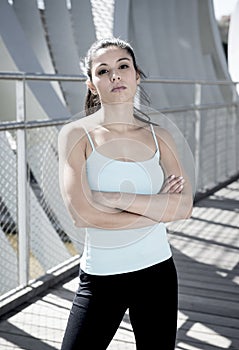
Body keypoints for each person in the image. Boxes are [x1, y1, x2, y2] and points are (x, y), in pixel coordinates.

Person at [58, 37, 193, 350]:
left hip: (158, 273)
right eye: (103, 71)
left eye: (123, 66)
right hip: (101, 278)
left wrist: (115, 199)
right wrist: (157, 208)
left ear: (137, 76)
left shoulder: (161, 136)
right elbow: (82, 215)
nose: (114, 75)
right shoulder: (77, 135)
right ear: (92, 85)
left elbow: (183, 207)